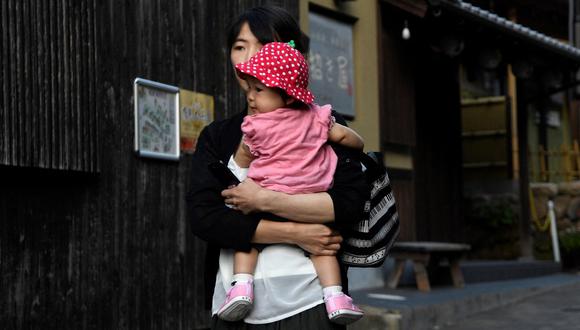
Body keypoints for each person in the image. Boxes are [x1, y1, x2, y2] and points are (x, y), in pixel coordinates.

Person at [187, 6, 367, 330]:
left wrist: (265, 200)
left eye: (264, 46)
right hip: (234, 305)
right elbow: (206, 217)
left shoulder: (321, 123)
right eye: (240, 47)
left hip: (311, 301)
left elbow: (349, 202)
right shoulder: (220, 135)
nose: (249, 59)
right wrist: (298, 233)